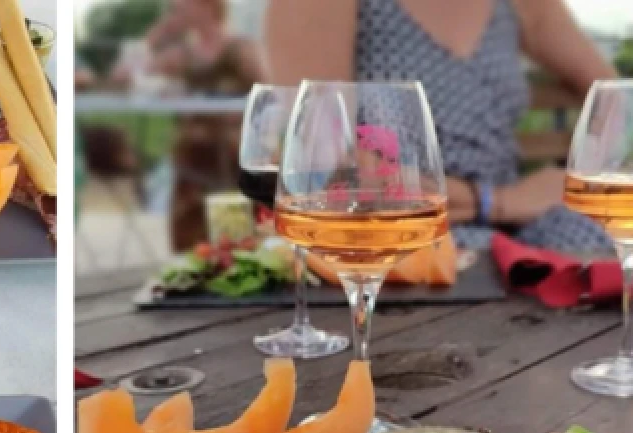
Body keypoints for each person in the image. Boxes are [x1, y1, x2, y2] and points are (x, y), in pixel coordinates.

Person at [263, 0, 618, 253]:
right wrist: (497, 202)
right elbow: (319, 164)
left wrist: (577, 175)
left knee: (604, 246)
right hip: (396, 229)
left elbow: (615, 98)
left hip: (519, 223)